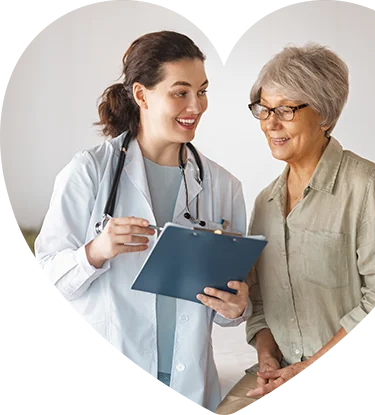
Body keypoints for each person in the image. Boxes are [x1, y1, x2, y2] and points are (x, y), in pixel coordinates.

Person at [35, 31, 251, 415]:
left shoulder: (223, 186)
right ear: (141, 94)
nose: (196, 105)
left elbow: (228, 308)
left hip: (186, 387)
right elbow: (46, 281)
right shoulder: (90, 172)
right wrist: (95, 251)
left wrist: (237, 307)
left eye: (202, 91)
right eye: (180, 92)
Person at [215, 43, 375, 415]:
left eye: (285, 110)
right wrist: (268, 359)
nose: (270, 123)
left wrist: (310, 371)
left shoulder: (367, 186)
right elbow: (259, 301)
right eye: (263, 109)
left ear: (325, 114)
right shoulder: (265, 203)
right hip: (284, 368)